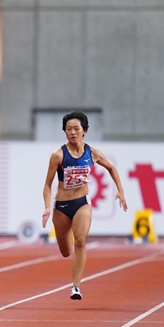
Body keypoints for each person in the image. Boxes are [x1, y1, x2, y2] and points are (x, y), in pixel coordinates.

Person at [42, 111, 127, 301]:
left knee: (80, 241)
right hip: (61, 207)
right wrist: (47, 207)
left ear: (84, 131)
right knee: (66, 252)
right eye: (68, 129)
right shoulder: (58, 155)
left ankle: (76, 287)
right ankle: (69, 253)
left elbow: (112, 168)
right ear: (64, 132)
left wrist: (120, 190)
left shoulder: (93, 153)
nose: (72, 132)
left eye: (76, 129)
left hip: (82, 203)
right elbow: (47, 184)